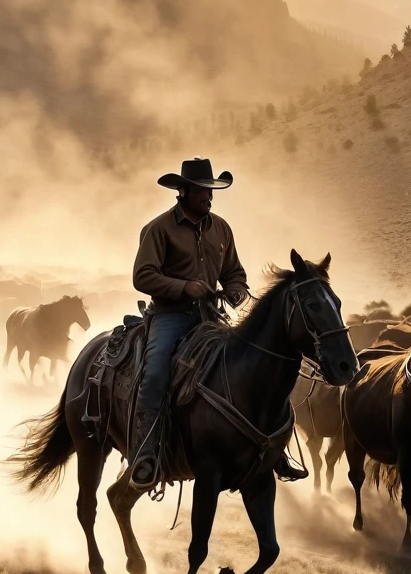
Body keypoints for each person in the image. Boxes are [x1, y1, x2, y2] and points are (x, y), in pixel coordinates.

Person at [129, 157, 307, 489]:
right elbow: (143, 275)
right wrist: (184, 287)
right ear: (183, 191)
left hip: (210, 318)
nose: (209, 197)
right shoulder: (159, 229)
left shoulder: (221, 228)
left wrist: (237, 292)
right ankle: (146, 452)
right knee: (154, 375)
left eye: (211, 190)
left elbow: (234, 274)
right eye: (201, 191)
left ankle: (274, 450)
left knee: (257, 366)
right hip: (169, 317)